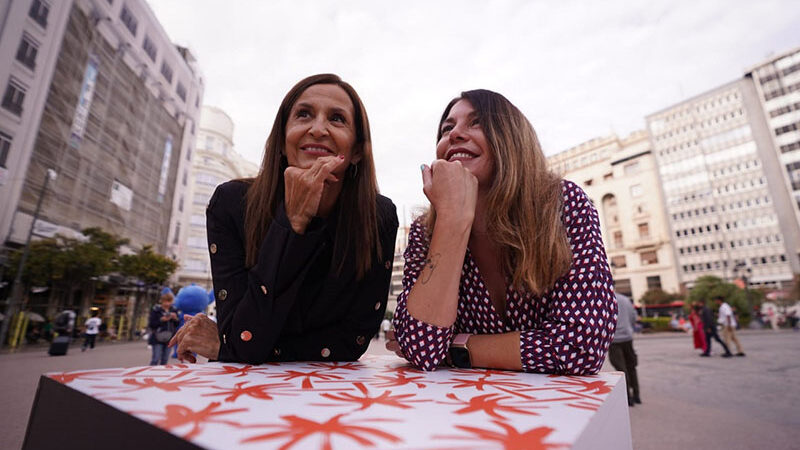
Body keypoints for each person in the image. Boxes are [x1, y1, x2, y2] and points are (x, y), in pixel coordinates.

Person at [170, 74, 398, 364]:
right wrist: (292, 223)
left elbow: (352, 343)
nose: (318, 129)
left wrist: (228, 347)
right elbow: (242, 339)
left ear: (356, 151)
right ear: (281, 140)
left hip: (335, 393)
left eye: (337, 119)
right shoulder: (230, 203)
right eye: (304, 115)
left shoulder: (379, 217)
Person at [388, 89, 616, 374]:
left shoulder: (562, 204)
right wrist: (452, 221)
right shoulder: (426, 230)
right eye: (447, 128)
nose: (455, 134)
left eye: (476, 122)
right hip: (458, 408)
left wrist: (454, 348)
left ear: (511, 139)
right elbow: (421, 349)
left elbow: (582, 346)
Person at [608, 294, 640, 406]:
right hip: (627, 336)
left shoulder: (605, 299)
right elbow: (633, 317)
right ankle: (637, 395)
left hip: (614, 339)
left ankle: (628, 397)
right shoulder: (626, 300)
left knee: (621, 369)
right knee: (631, 366)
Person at [148, 291, 179, 365]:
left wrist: (175, 318)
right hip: (157, 337)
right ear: (161, 301)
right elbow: (151, 324)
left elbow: (176, 324)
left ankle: (161, 376)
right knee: (155, 358)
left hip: (169, 338)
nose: (167, 304)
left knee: (165, 360)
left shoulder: (174, 310)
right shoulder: (156, 310)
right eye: (165, 301)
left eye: (169, 301)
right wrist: (161, 320)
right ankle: (151, 372)